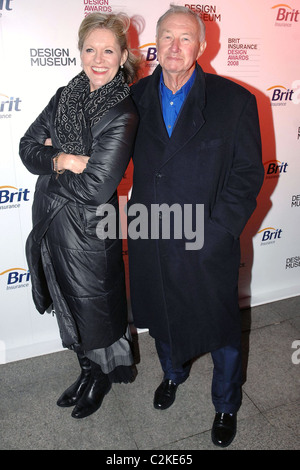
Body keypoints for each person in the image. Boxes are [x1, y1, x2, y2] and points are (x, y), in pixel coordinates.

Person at [128, 5, 264, 447]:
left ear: (203, 47)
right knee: (163, 318)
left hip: (207, 240)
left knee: (222, 328)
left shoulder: (234, 100)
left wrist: (219, 230)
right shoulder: (131, 99)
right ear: (156, 44)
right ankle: (172, 373)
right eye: (166, 36)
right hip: (152, 236)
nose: (174, 46)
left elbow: (247, 175)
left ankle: (226, 403)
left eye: (185, 38)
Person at [19, 12, 139, 419]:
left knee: (93, 309)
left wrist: (50, 165)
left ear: (123, 55)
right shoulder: (63, 96)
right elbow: (26, 147)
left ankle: (101, 377)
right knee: (66, 303)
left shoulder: (122, 113)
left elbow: (96, 188)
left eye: (108, 50)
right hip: (51, 224)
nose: (99, 59)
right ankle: (87, 370)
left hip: (88, 232)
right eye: (91, 49)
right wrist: (67, 159)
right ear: (80, 52)